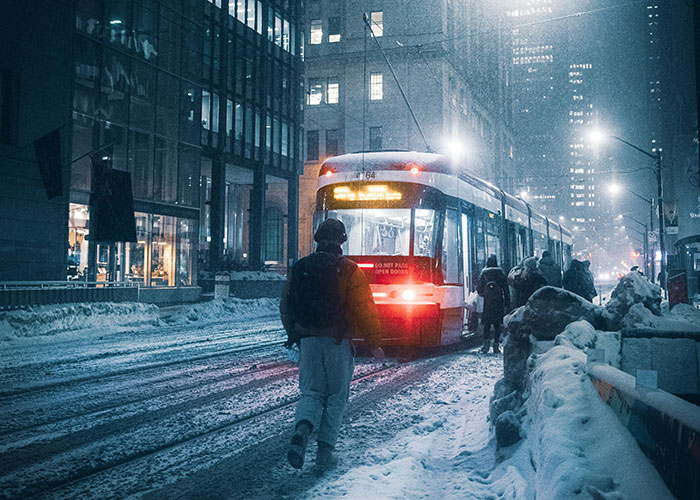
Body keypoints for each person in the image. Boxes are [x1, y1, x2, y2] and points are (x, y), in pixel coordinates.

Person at [280, 218, 384, 471]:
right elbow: (365, 309)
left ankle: (302, 430)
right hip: (338, 341)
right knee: (336, 396)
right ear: (341, 241)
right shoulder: (350, 270)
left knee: (311, 393)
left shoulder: (300, 267)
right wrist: (374, 342)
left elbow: (285, 304)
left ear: (317, 239)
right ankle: (325, 452)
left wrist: (294, 333)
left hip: (308, 341)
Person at [476, 255, 510, 353]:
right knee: (497, 325)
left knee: (487, 324)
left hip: (487, 303)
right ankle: (496, 346)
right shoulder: (500, 273)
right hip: (498, 302)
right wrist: (507, 303)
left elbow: (479, 289)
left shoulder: (484, 273)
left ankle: (486, 346)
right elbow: (506, 290)